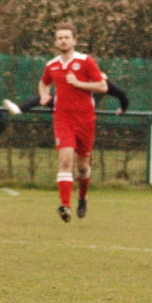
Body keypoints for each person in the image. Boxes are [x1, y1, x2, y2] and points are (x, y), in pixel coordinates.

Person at [38, 22, 108, 222]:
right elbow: (44, 82)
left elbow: (102, 86)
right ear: (56, 42)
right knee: (65, 161)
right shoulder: (51, 65)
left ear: (74, 41)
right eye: (60, 38)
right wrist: (44, 95)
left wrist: (78, 83)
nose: (63, 41)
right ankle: (65, 206)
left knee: (83, 166)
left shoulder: (86, 62)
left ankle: (82, 197)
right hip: (63, 119)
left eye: (66, 37)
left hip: (85, 120)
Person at [4, 73, 129, 116]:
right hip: (77, 108)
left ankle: (19, 109)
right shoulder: (102, 81)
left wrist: (123, 108)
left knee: (43, 98)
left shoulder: (102, 82)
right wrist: (123, 108)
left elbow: (122, 94)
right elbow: (122, 94)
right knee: (43, 97)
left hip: (76, 107)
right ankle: (19, 108)